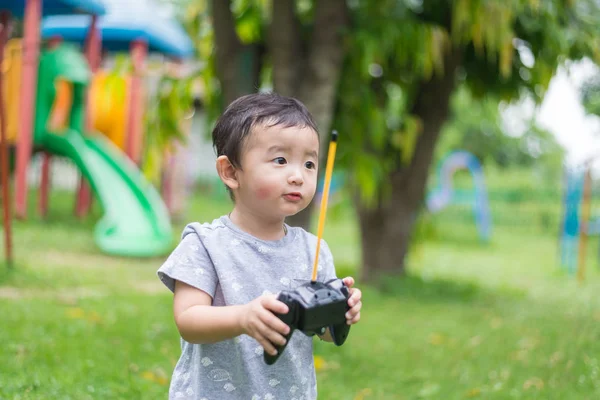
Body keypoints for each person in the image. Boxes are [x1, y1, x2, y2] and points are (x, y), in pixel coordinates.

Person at [157, 92, 363, 400]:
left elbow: (322, 333)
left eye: (309, 163)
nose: (298, 176)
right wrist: (243, 318)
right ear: (230, 172)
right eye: (280, 160)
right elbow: (188, 320)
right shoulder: (205, 243)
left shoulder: (313, 250)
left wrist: (339, 313)